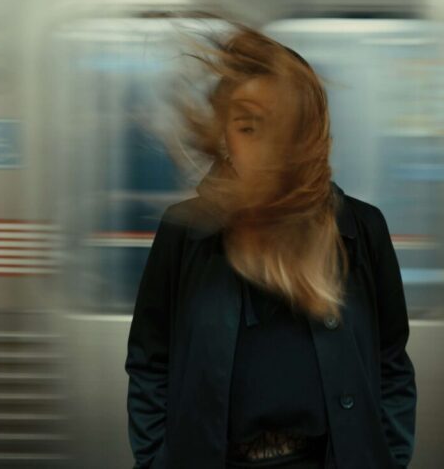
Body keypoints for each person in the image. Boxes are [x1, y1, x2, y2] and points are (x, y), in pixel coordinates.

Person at [125, 24, 416, 469]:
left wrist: (390, 459)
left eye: (282, 128)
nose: (265, 149)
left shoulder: (361, 229)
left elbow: (391, 362)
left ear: (308, 136)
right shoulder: (184, 232)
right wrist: (155, 460)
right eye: (247, 127)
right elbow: (150, 362)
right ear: (226, 136)